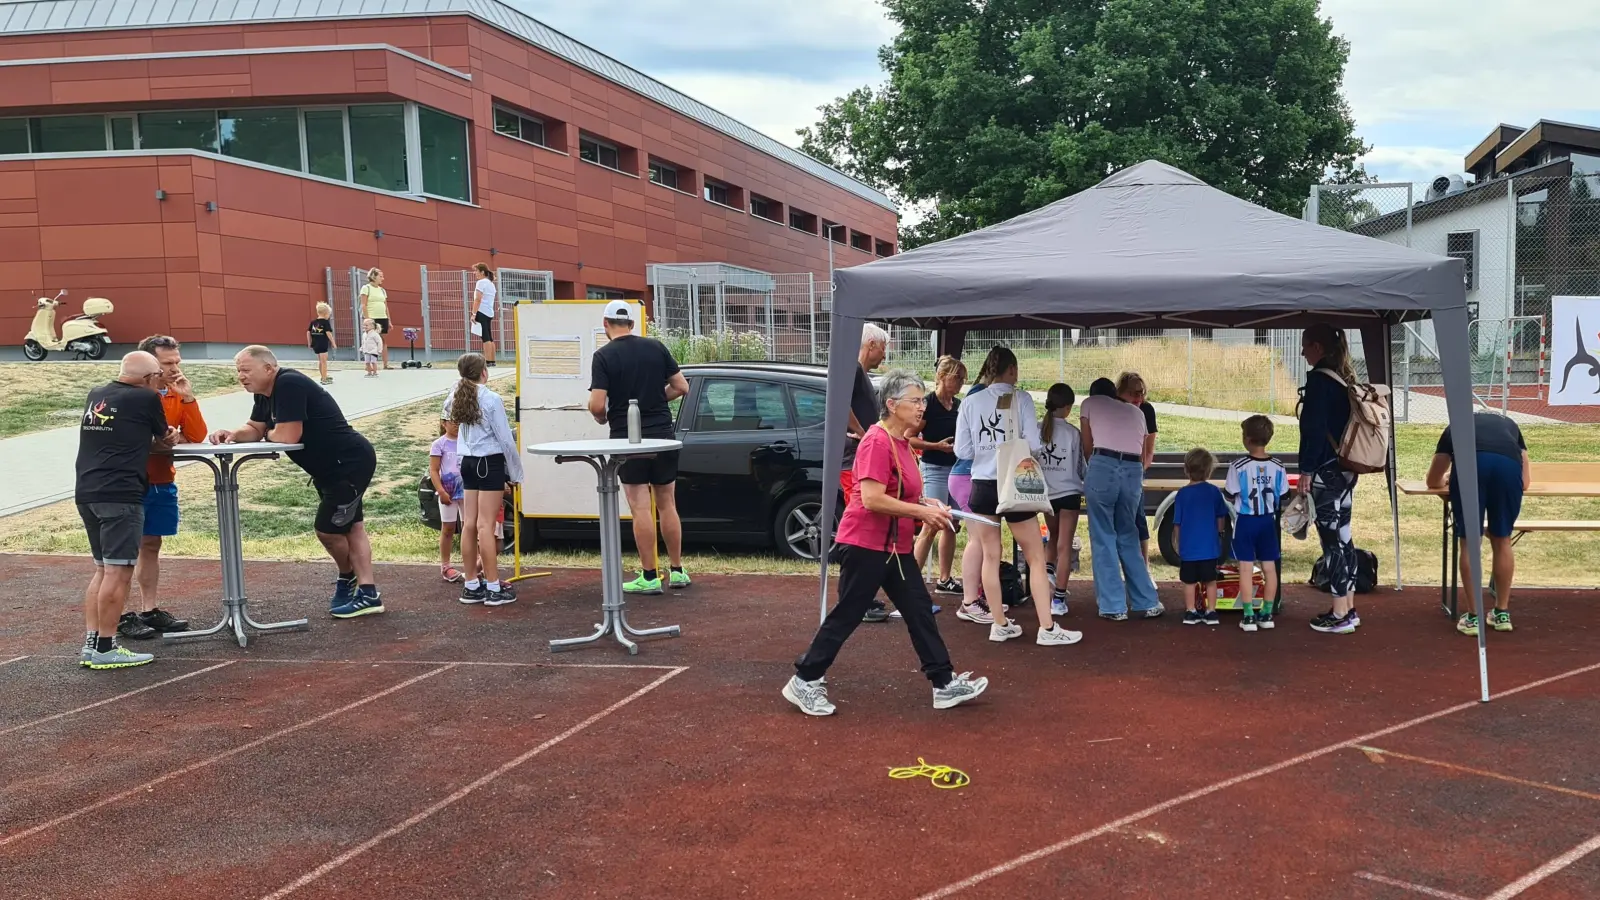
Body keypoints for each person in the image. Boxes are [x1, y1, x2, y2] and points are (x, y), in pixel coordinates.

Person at [783, 369, 989, 716]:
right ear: (892, 405)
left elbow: (901, 494)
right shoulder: (877, 441)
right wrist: (920, 513)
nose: (922, 406)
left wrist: (926, 504)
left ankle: (943, 683)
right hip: (866, 545)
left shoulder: (902, 442)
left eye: (923, 399)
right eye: (915, 400)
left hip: (894, 548)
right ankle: (805, 679)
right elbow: (872, 498)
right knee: (848, 613)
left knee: (919, 610)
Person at [209, 346, 382, 619]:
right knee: (352, 526)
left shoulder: (288, 383)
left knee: (329, 529)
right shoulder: (264, 393)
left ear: (268, 368)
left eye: (245, 370)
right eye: (238, 371)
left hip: (347, 463)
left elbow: (288, 437)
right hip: (330, 467)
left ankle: (348, 577)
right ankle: (367, 592)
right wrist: (231, 434)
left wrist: (270, 433)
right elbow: (255, 428)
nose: (240, 376)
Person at [954, 346, 1082, 647]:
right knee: (1036, 557)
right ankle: (1047, 628)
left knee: (990, 555)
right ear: (1011, 370)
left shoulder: (971, 402)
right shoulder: (1020, 398)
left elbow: (962, 451)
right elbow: (1034, 444)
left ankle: (999, 623)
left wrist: (986, 452)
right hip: (1015, 481)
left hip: (982, 484)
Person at [75, 351, 178, 669]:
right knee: (119, 572)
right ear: (149, 378)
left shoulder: (97, 393)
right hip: (122, 493)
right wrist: (171, 436)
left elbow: (126, 435)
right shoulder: (146, 399)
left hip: (87, 490)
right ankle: (107, 648)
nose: (161, 383)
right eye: (159, 376)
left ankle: (93, 644)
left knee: (103, 569)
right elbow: (164, 439)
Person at [587, 299, 691, 594]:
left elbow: (596, 404)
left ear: (606, 324)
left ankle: (649, 575)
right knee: (667, 503)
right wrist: (658, 400)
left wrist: (601, 415)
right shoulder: (655, 347)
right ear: (632, 324)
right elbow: (682, 387)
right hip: (663, 434)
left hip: (627, 437)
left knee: (640, 505)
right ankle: (677, 570)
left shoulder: (603, 356)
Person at [120, 334, 206, 641]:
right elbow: (137, 439)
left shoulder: (173, 394)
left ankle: (149, 609)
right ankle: (119, 614)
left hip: (161, 481)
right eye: (167, 363)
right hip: (130, 484)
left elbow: (195, 436)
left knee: (151, 545)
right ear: (150, 365)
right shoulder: (129, 395)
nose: (174, 368)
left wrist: (187, 397)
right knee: (123, 552)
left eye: (177, 361)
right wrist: (162, 440)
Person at [1426, 411, 1530, 636]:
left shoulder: (1455, 425)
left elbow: (1432, 479)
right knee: (1503, 539)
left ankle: (1473, 617)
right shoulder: (1510, 425)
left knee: (1471, 541)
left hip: (1471, 467)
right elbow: (1526, 481)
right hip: (1508, 469)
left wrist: (1444, 479)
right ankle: (1502, 612)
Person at [1080, 374, 1162, 620]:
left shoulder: (1090, 404)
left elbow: (1087, 446)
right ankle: (1147, 601)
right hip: (1132, 471)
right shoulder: (1139, 414)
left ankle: (1114, 606)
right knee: (1128, 534)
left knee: (1103, 537)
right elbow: (1142, 452)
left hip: (1103, 464)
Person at [445, 353, 523, 606]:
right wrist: (515, 472)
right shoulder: (491, 399)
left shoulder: (457, 394)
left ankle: (471, 585)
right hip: (488, 463)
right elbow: (505, 438)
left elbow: (448, 413)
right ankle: (492, 586)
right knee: (485, 526)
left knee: (469, 524)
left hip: (467, 463)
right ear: (484, 373)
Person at [1298, 324, 1360, 635]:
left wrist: (1306, 470)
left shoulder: (1320, 382)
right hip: (1346, 469)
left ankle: (1339, 613)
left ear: (1318, 348)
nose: (1302, 352)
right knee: (1344, 537)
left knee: (1331, 541)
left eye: (1306, 346)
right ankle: (1347, 605)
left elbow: (1312, 430)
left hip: (1325, 469)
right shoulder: (1344, 378)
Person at [843, 324, 892, 621]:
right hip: (851, 461)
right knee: (858, 531)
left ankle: (860, 596)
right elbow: (839, 401)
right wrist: (861, 431)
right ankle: (855, 598)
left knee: (862, 530)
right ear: (871, 344)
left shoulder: (859, 372)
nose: (884, 354)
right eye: (883, 347)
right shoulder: (852, 368)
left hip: (856, 460)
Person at [911, 355, 966, 600]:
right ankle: (910, 585)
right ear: (943, 377)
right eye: (957, 378)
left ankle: (945, 579)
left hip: (956, 471)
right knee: (931, 524)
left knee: (952, 524)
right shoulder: (928, 404)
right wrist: (935, 446)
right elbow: (908, 437)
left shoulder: (959, 405)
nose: (961, 383)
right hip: (933, 468)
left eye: (963, 379)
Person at [1226, 415, 1288, 631]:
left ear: (1248, 439)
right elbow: (1284, 494)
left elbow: (1231, 493)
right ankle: (1267, 613)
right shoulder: (1279, 466)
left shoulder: (1238, 466)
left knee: (1245, 568)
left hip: (1246, 521)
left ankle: (1249, 615)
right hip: (1267, 521)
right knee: (1269, 569)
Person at [1039, 383, 1084, 616]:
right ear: (1067, 407)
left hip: (1047, 495)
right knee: (1065, 546)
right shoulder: (1073, 433)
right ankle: (1058, 600)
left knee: (1052, 537)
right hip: (1069, 494)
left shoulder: (1038, 429)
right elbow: (1079, 467)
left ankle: (1048, 575)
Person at [1173, 448, 1228, 627]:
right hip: (1209, 547)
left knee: (1189, 582)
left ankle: (1191, 611)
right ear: (1209, 470)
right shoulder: (1214, 492)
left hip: (1189, 548)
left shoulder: (1182, 494)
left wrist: (1177, 542)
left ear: (1186, 469)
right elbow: (1221, 517)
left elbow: (1177, 523)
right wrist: (1220, 533)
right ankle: (1211, 611)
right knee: (1210, 581)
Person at [1120, 374, 1160, 583]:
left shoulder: (1146, 411)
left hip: (1135, 470)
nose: (1138, 398)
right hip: (1115, 469)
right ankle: (1125, 569)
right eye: (1133, 393)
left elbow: (1148, 451)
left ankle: (1144, 569)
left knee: (1138, 518)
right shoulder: (1116, 408)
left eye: (1141, 393)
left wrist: (1138, 471)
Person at [430, 418, 467, 584]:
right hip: (448, 492)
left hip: (467, 491)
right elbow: (434, 470)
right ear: (444, 423)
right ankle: (446, 566)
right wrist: (441, 491)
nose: (457, 425)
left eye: (459, 422)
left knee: (469, 527)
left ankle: (473, 564)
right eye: (453, 422)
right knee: (448, 528)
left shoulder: (467, 441)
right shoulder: (439, 444)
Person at [360, 267, 390, 370]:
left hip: (383, 317)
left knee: (383, 340)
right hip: (373, 318)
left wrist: (389, 320)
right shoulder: (366, 288)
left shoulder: (382, 290)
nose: (382, 278)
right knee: (371, 341)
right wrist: (368, 319)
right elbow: (363, 305)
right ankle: (370, 364)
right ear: (374, 276)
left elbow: (385, 306)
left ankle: (386, 364)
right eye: (380, 276)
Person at [472, 263, 499, 366]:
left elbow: (477, 299)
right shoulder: (491, 284)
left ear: (482, 272)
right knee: (489, 337)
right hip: (489, 312)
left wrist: (473, 313)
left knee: (485, 337)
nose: (475, 273)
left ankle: (487, 361)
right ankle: (492, 361)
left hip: (482, 311)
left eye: (476, 271)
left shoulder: (481, 282)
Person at [307, 302, 336, 385]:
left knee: (320, 361)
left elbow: (308, 332)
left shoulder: (313, 322)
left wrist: (309, 343)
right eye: (329, 315)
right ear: (326, 314)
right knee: (324, 362)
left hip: (315, 344)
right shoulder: (325, 322)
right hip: (323, 344)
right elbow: (328, 333)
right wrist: (333, 343)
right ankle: (324, 379)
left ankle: (323, 375)